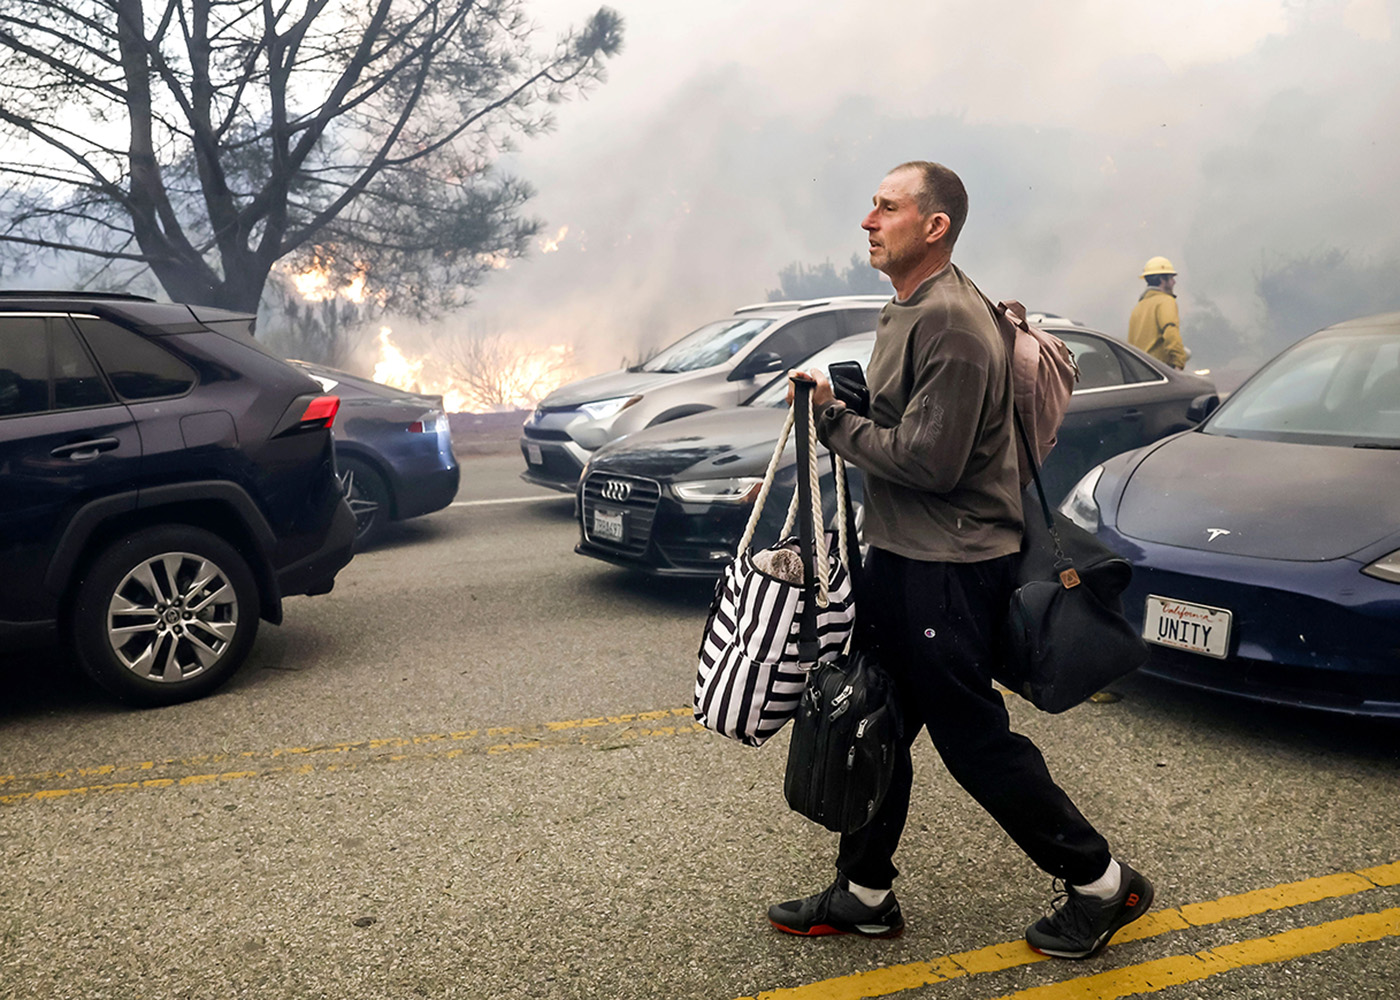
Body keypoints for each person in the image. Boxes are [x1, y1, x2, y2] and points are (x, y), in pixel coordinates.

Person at [772, 161, 1153, 959]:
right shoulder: (915, 308)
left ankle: (1102, 885)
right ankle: (865, 892)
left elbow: (930, 461)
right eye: (872, 206)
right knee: (873, 722)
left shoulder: (948, 317)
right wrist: (838, 396)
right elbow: (910, 419)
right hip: (905, 557)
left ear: (933, 225)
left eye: (886, 207)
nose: (869, 221)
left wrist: (834, 424)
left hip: (947, 566)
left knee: (973, 741)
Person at [1128, 257, 1189, 369]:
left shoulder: (1138, 308)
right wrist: (1179, 363)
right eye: (1171, 278)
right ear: (1162, 279)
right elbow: (1170, 331)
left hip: (1140, 372)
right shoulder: (1165, 301)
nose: (1174, 282)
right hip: (1160, 371)